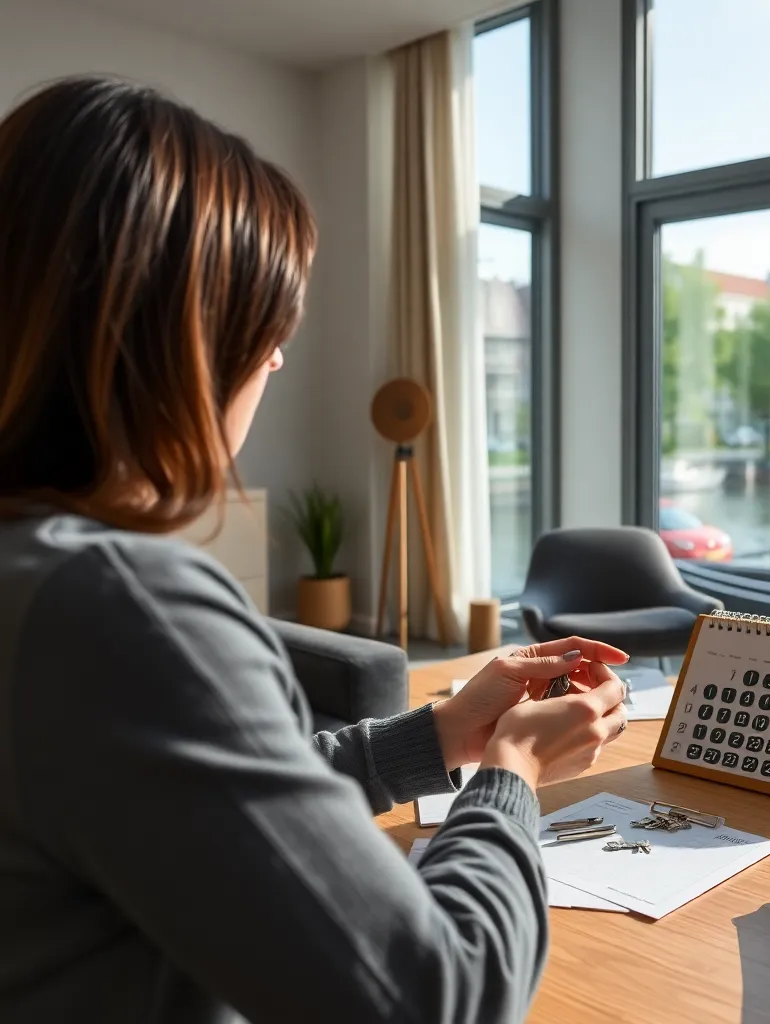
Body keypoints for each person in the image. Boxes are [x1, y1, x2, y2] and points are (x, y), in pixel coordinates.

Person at [0, 78, 630, 1024]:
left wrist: (442, 736)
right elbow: (436, 994)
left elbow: (192, 807)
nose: (279, 360)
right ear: (181, 341)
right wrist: (511, 777)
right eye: (266, 331)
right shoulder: (117, 605)